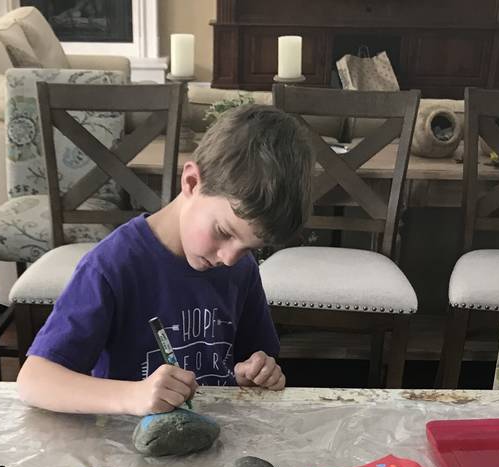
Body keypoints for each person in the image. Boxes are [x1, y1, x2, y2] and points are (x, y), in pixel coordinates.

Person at [16, 104, 313, 415]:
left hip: (213, 442)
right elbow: (35, 380)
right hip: (126, 448)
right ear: (192, 183)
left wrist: (252, 373)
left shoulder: (240, 268)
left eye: (250, 248)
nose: (229, 257)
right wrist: (131, 397)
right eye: (223, 232)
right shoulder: (113, 266)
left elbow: (248, 360)